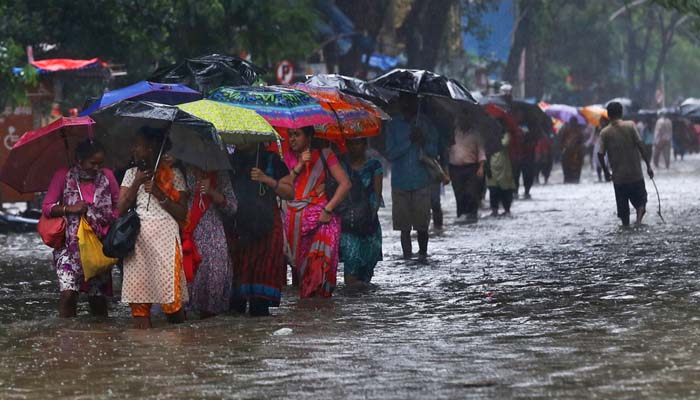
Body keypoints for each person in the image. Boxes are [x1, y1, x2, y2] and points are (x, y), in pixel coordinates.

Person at [117, 127, 189, 329]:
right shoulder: (132, 174)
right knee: (139, 305)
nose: (133, 149)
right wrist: (137, 182)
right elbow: (121, 208)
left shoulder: (175, 175)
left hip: (166, 242)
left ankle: (178, 348)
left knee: (172, 303)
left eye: (137, 145)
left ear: (150, 148)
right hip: (138, 243)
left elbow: (182, 213)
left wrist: (159, 193)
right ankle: (144, 351)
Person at [43, 140, 119, 318]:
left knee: (97, 299)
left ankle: (101, 337)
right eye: (92, 163)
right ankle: (68, 337)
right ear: (80, 159)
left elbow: (118, 205)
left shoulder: (107, 176)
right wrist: (70, 209)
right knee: (68, 294)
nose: (96, 167)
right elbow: (47, 207)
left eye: (100, 163)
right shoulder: (63, 175)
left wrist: (107, 220)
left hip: (98, 246)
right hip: (69, 246)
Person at [228, 143, 294, 316]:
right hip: (238, 229)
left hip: (266, 227)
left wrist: (267, 179)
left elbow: (289, 193)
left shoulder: (272, 160)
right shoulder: (231, 160)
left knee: (259, 303)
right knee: (235, 304)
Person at [286, 126, 351, 298]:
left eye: (297, 135)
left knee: (319, 270)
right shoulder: (286, 157)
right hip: (296, 222)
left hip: (323, 220)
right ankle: (306, 318)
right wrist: (300, 165)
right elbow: (281, 186)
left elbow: (345, 184)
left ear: (309, 137)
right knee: (300, 274)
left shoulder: (326, 155)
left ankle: (322, 319)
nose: (292, 139)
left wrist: (328, 210)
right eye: (290, 135)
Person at [385, 95, 439, 259]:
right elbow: (390, 153)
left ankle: (423, 254)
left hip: (421, 181)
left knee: (423, 225)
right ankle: (406, 256)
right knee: (404, 227)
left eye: (411, 101)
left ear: (417, 103)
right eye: (404, 100)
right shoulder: (393, 125)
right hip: (400, 182)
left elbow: (433, 152)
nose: (407, 104)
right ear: (400, 103)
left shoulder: (426, 124)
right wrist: (409, 141)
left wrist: (423, 140)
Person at [182, 165, 237, 318]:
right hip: (188, 233)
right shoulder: (182, 169)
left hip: (213, 236)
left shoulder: (220, 173)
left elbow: (232, 207)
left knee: (212, 288)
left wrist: (212, 192)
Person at [598, 102, 654, 226]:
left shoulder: (604, 133)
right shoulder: (630, 126)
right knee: (641, 202)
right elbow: (640, 145)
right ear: (621, 113)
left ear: (608, 115)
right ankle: (639, 221)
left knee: (624, 215)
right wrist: (648, 166)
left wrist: (606, 172)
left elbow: (600, 154)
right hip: (635, 174)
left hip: (619, 179)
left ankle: (628, 227)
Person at [339, 138, 384, 285]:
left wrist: (369, 220)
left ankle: (362, 307)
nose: (353, 147)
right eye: (351, 143)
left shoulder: (374, 166)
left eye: (357, 143)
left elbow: (377, 196)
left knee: (366, 273)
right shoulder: (340, 166)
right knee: (351, 273)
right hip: (348, 223)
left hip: (368, 224)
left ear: (365, 145)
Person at [448, 116, 485, 223]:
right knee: (458, 193)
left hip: (471, 167)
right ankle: (460, 214)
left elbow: (481, 151)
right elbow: (447, 149)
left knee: (471, 192)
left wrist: (481, 167)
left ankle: (472, 214)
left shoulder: (476, 134)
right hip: (455, 168)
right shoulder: (453, 134)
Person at [486, 120, 516, 216]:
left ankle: (507, 210)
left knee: (506, 190)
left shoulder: (506, 135)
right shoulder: (488, 136)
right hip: (492, 167)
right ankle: (494, 210)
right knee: (493, 190)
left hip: (504, 168)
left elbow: (504, 144)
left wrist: (495, 139)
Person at [560, 117, 585, 183]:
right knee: (566, 167)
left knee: (576, 168)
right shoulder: (566, 130)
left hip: (576, 153)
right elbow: (562, 141)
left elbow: (581, 141)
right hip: (568, 152)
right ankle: (568, 179)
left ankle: (574, 179)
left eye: (574, 122)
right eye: (572, 122)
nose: (573, 124)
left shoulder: (579, 131)